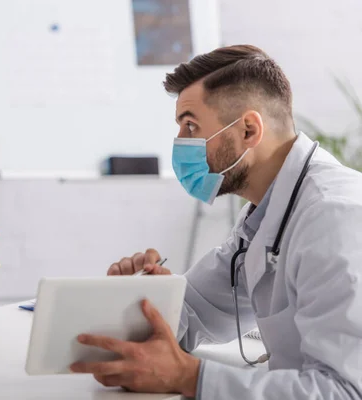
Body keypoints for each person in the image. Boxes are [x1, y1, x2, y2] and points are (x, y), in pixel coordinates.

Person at [70, 45, 362, 399]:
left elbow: (344, 391)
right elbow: (194, 312)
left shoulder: (336, 217)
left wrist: (191, 378)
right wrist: (140, 300)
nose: (180, 144)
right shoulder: (266, 213)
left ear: (249, 131)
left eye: (191, 125)